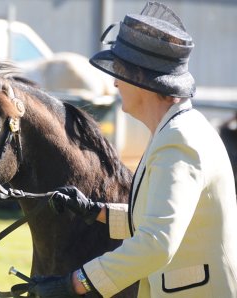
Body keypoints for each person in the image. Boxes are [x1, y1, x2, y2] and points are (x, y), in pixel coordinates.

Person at [29, 2, 237, 297]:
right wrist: (93, 211)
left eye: (120, 72)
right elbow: (157, 217)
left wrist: (76, 283)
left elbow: (156, 241)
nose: (114, 83)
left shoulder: (180, 141)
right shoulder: (174, 131)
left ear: (142, 80)